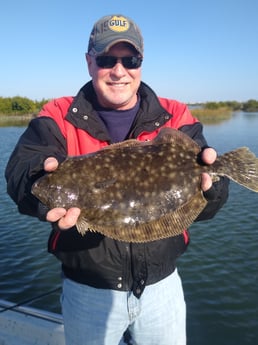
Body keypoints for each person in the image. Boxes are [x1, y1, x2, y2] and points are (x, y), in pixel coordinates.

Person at [5, 14, 229, 345]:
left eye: (131, 60)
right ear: (89, 62)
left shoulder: (176, 114)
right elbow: (21, 173)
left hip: (161, 288)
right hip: (88, 290)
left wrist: (214, 187)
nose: (119, 70)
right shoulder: (57, 114)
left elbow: (211, 197)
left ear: (141, 62)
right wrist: (39, 182)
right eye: (107, 59)